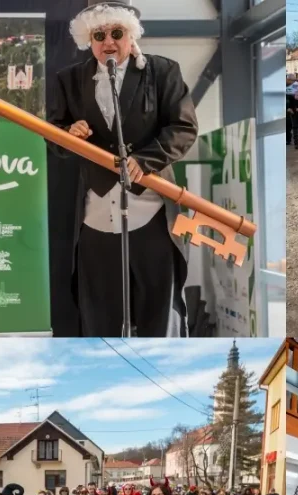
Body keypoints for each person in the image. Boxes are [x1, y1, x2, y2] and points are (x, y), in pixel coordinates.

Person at [51, 1, 198, 337]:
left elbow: (183, 127)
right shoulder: (69, 80)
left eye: (117, 33)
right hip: (97, 214)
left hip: (153, 210)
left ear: (131, 37)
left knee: (160, 312)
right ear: (89, 40)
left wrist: (146, 160)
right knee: (99, 313)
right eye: (99, 35)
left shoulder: (163, 72)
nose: (108, 42)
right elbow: (55, 135)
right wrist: (68, 135)